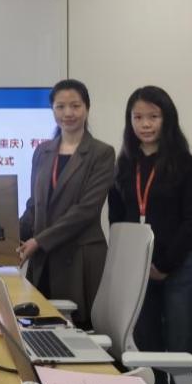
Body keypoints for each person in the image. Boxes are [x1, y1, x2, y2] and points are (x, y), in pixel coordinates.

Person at [108, 86, 192, 384]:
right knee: (147, 350)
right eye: (138, 117)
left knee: (181, 351)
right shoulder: (124, 165)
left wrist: (163, 264)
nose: (145, 124)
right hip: (139, 272)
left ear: (167, 119)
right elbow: (117, 221)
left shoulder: (186, 164)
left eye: (153, 116)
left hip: (179, 268)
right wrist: (135, 264)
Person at [18, 79, 115, 329]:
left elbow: (86, 211)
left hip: (80, 260)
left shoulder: (101, 153)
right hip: (44, 261)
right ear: (52, 110)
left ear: (87, 108)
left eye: (75, 106)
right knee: (39, 330)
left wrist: (38, 241)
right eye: (60, 107)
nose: (68, 113)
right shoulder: (42, 151)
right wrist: (10, 238)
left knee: (78, 333)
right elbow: (34, 206)